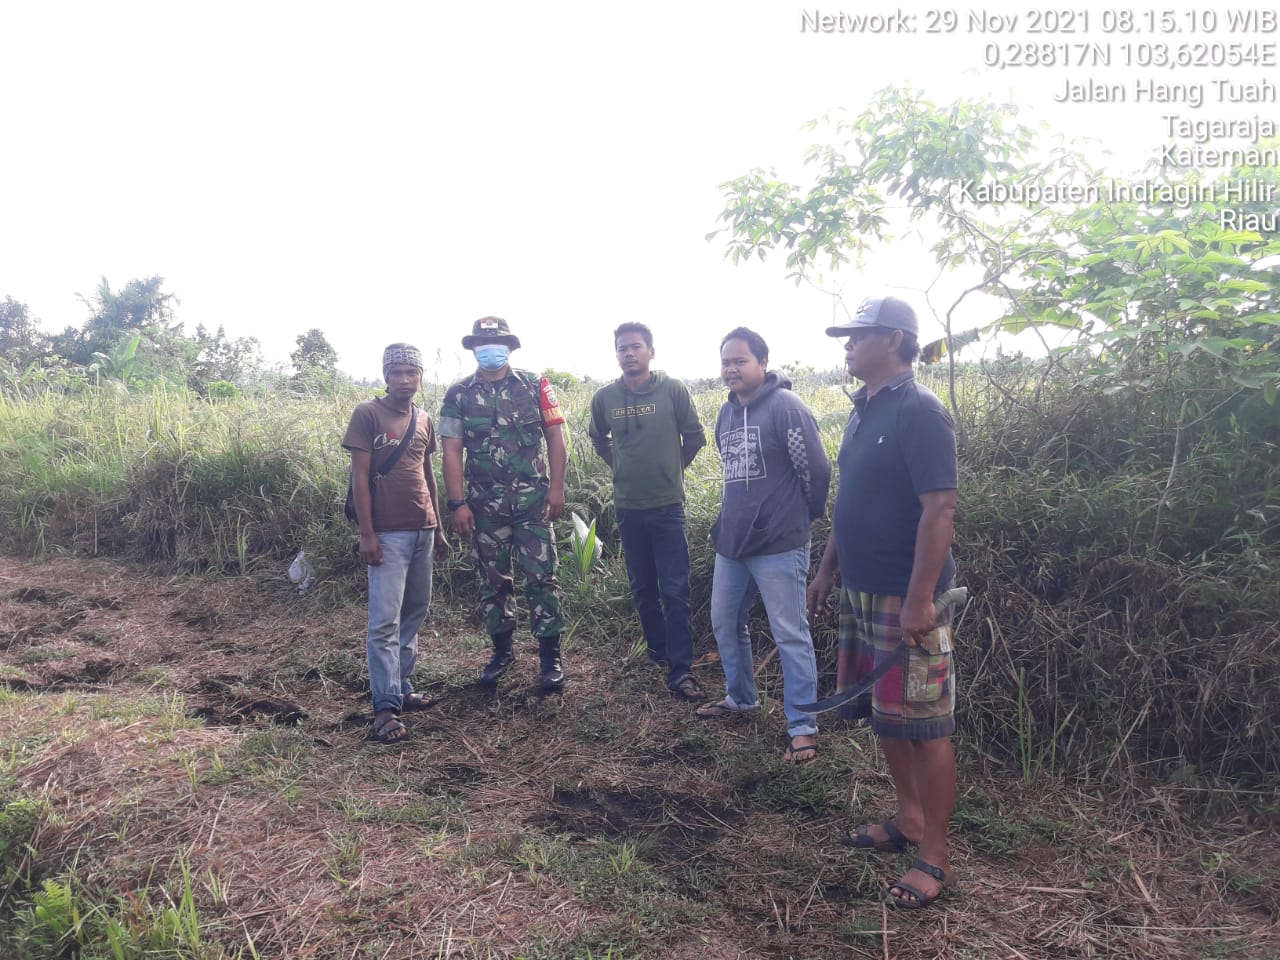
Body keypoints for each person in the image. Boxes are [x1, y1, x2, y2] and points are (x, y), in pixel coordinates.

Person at [806, 296, 960, 910]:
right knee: (886, 715)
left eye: (856, 336)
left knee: (925, 725)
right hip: (862, 590)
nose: (846, 345)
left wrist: (921, 597)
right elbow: (853, 498)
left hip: (907, 595)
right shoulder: (865, 408)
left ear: (894, 339)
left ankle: (936, 857)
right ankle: (909, 819)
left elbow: (940, 507)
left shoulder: (921, 410)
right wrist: (826, 570)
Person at [696, 327, 831, 765]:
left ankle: (803, 726)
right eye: (726, 362)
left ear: (762, 363)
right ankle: (741, 698)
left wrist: (798, 517)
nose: (731, 369)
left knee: (790, 634)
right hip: (733, 542)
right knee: (724, 621)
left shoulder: (787, 409)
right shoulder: (726, 414)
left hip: (779, 543)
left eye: (740, 361)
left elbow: (816, 470)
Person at [440, 316, 568, 692]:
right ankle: (502, 653)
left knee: (542, 578)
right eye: (481, 343)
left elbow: (556, 438)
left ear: (510, 347)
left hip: (533, 503)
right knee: (493, 581)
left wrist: (557, 488)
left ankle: (550, 658)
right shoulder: (458, 394)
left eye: (495, 343)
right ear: (473, 348)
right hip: (484, 507)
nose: (489, 349)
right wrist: (456, 503)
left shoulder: (535, 384)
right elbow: (451, 451)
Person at [588, 323, 708, 701]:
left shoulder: (673, 390)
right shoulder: (605, 397)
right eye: (622, 348)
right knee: (643, 588)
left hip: (667, 506)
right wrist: (620, 468)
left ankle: (681, 668)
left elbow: (696, 436)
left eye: (636, 347)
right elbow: (596, 437)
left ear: (650, 352)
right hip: (628, 506)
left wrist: (672, 471)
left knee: (675, 589)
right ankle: (656, 654)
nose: (629, 353)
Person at [342, 343, 450, 744]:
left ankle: (402, 686)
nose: (405, 379)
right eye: (397, 373)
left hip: (423, 530)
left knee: (414, 614)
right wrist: (367, 534)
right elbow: (360, 478)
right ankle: (384, 707)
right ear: (386, 376)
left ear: (420, 377)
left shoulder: (423, 419)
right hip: (387, 534)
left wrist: (437, 527)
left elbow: (428, 475)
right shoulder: (368, 415)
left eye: (412, 372)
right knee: (384, 622)